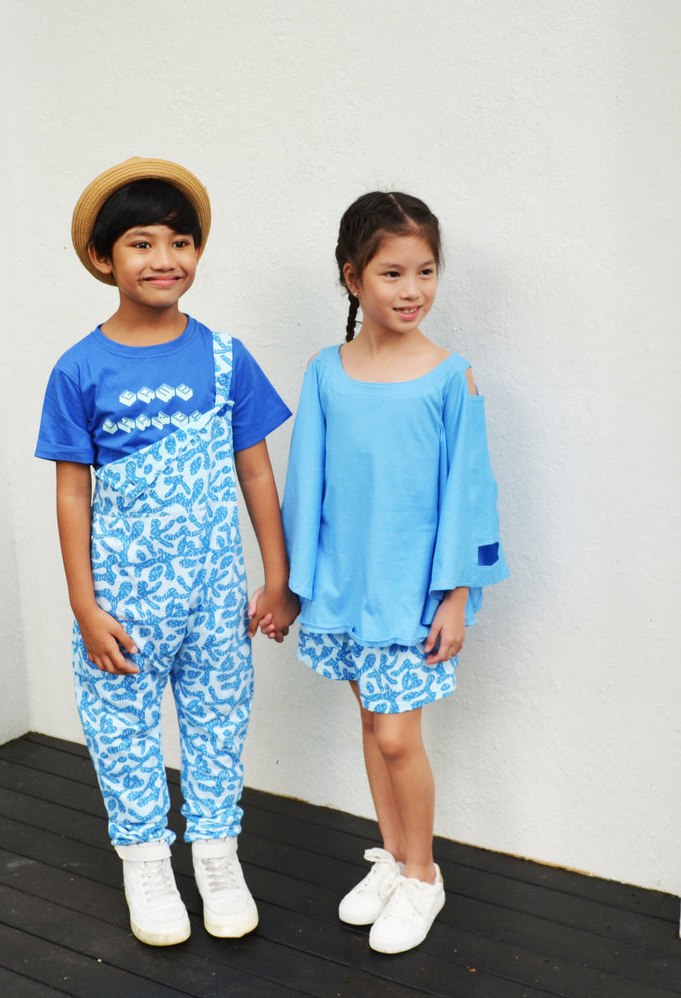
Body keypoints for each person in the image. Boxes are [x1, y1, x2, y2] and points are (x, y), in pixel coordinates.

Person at [35, 157, 298, 947]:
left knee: (218, 721)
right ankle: (147, 863)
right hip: (122, 602)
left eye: (181, 242)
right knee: (123, 730)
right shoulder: (80, 369)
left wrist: (277, 576)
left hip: (216, 598)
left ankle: (216, 856)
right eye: (142, 243)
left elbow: (256, 471)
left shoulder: (225, 358)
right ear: (102, 257)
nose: (165, 259)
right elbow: (72, 494)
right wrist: (84, 605)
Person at [280, 191, 508, 954]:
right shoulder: (326, 372)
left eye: (425, 271)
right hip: (345, 589)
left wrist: (457, 595)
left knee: (399, 736)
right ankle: (393, 854)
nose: (412, 290)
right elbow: (305, 482)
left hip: (411, 595)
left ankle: (423, 875)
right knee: (374, 727)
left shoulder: (450, 378)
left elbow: (467, 496)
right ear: (353, 278)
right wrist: (293, 585)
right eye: (392, 273)